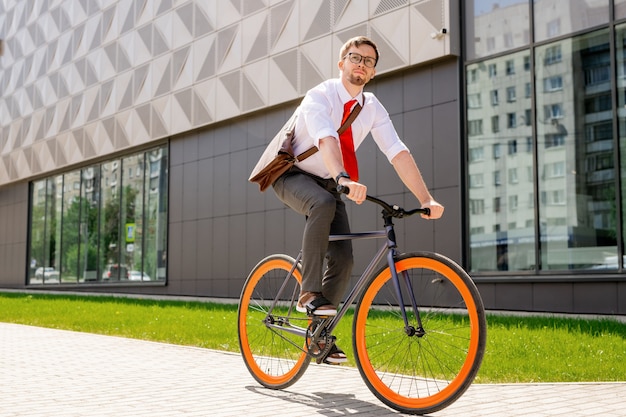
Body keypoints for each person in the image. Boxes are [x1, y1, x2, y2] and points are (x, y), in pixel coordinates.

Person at [271, 36, 444, 363]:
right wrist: (343, 177)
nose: (360, 64)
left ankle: (318, 336)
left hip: (331, 181)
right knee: (321, 204)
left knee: (345, 258)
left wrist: (426, 199)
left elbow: (397, 151)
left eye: (368, 61)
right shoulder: (319, 96)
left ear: (373, 72)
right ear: (341, 64)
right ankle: (308, 292)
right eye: (355, 57)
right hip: (292, 174)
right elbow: (326, 138)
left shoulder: (372, 107)